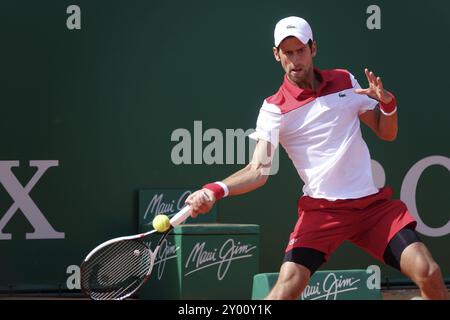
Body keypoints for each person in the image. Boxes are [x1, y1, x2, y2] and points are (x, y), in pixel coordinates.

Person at [185, 16, 449, 300]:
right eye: (287, 52)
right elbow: (257, 171)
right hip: (322, 212)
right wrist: (215, 190)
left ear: (313, 49)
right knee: (284, 293)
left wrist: (388, 104)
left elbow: (387, 132)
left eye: (300, 50)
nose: (295, 59)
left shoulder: (345, 80)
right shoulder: (274, 109)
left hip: (372, 208)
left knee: (430, 274)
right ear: (277, 55)